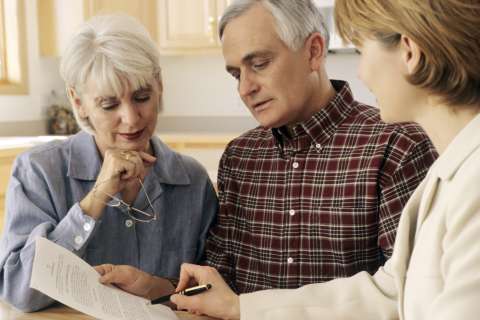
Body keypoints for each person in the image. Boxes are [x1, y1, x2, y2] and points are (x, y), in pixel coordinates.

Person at [104, 0, 480, 319]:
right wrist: (157, 287)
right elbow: (218, 287)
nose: (245, 88)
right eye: (235, 73)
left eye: (260, 63)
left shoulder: (397, 144)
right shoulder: (240, 156)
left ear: (314, 51)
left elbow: (397, 296)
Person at [0, 15, 217, 312]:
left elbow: (214, 291)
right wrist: (96, 199)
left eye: (142, 97)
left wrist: (155, 286)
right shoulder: (38, 172)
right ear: (78, 103)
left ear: (160, 86)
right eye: (109, 104)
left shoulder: (193, 181)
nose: (130, 118)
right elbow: (18, 292)